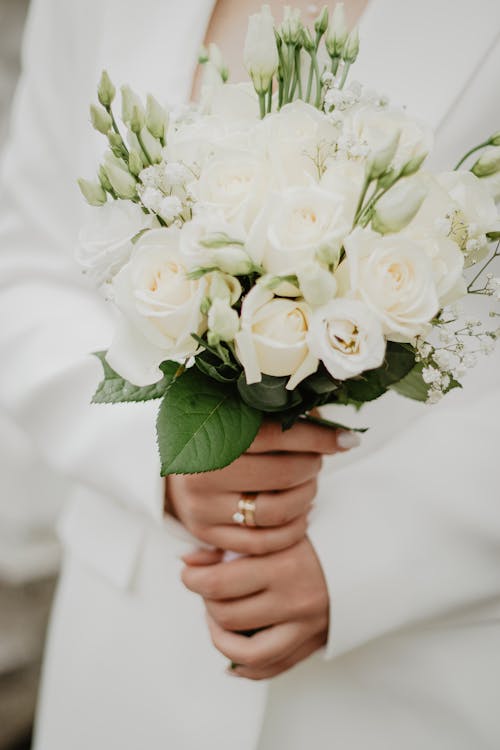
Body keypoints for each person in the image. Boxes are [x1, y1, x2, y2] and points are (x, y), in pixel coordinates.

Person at [0, 0, 499, 748]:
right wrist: (162, 458)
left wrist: (363, 562)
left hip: (415, 673)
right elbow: (30, 267)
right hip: (126, 659)